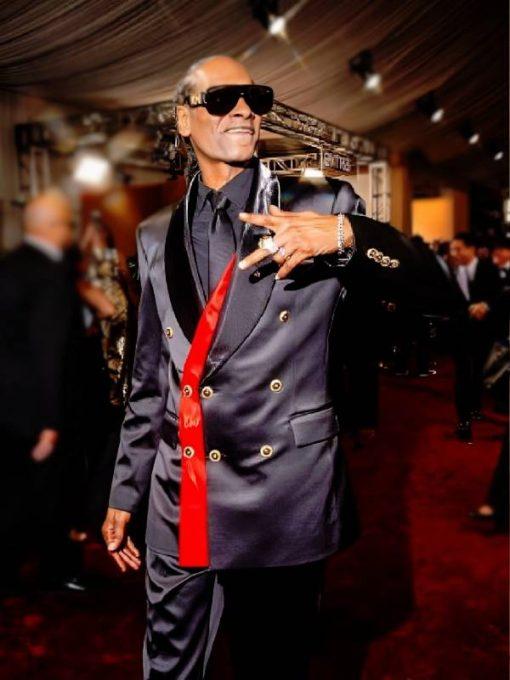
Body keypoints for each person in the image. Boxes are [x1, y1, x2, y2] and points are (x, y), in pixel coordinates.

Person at [102, 55, 443, 679]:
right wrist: (127, 488)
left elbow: (432, 287)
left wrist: (343, 236)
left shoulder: (321, 204)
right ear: (183, 119)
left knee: (272, 665)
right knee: (167, 663)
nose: (243, 110)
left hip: (280, 491)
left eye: (255, 97)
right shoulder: (153, 233)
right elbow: (150, 378)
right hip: (181, 495)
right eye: (222, 98)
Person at [0, 189, 85, 593]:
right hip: (37, 409)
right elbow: (48, 351)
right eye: (68, 224)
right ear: (53, 227)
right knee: (47, 493)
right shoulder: (50, 275)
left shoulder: (8, 266)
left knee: (12, 490)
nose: (71, 232)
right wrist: (50, 422)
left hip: (8, 407)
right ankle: (55, 571)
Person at [449, 232, 501, 441]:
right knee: (462, 373)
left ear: (471, 249)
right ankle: (463, 420)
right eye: (452, 249)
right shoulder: (451, 271)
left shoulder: (489, 269)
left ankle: (476, 406)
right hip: (460, 331)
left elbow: (499, 296)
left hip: (483, 330)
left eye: (458, 249)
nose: (454, 253)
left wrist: (486, 306)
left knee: (478, 369)